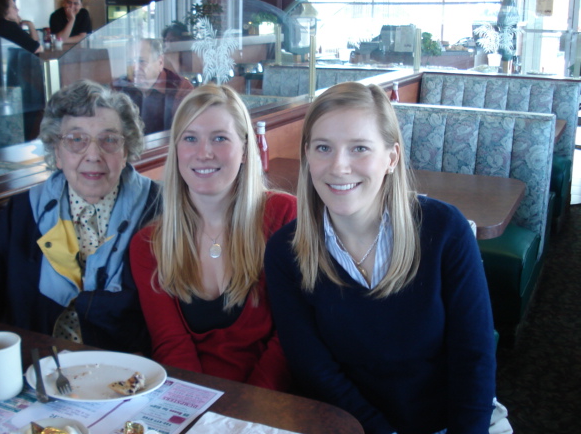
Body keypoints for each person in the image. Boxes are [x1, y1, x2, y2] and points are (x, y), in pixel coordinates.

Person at [264, 82, 497, 433]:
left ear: (391, 158)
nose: (339, 167)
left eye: (359, 148)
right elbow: (315, 369)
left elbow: (474, 359)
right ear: (307, 155)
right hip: (349, 425)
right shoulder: (286, 251)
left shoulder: (445, 230)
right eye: (323, 148)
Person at [0, 80, 160, 353]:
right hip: (38, 367)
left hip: (129, 371)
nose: (93, 155)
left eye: (109, 140)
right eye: (76, 140)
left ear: (126, 151)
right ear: (57, 152)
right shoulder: (24, 212)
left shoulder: (159, 210)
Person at [129, 84, 296, 391]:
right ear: (176, 150)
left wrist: (246, 409)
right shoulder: (149, 244)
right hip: (189, 398)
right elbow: (171, 345)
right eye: (190, 138)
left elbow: (290, 338)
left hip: (271, 401)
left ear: (244, 149)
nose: (204, 153)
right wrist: (198, 409)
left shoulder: (285, 216)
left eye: (219, 138)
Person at [113, 38, 193, 134]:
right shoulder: (119, 87)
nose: (135, 68)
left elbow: (186, 133)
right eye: (130, 62)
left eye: (141, 61)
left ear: (160, 62)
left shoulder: (181, 88)